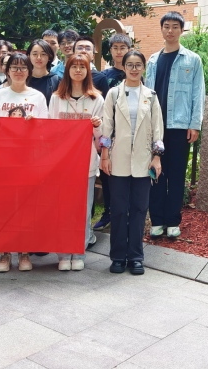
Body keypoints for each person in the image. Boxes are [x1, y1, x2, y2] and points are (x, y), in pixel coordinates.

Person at [100, 50, 163, 275]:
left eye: (138, 65)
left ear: (143, 68)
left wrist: (157, 157)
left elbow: (158, 129)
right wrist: (104, 155)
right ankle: (117, 256)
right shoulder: (114, 94)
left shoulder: (151, 96)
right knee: (118, 209)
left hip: (143, 161)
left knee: (139, 209)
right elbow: (106, 126)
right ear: (124, 67)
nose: (134, 69)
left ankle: (136, 256)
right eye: (130, 65)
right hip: (118, 158)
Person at [0, 52, 48, 273]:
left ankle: (24, 251)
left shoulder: (37, 97)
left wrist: (35, 124)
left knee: (26, 206)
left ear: (29, 71)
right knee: (3, 206)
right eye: (14, 67)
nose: (19, 71)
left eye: (23, 68)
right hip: (3, 160)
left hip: (28, 160)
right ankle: (4, 252)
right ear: (7, 71)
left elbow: (46, 130)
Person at [145, 11, 205, 240]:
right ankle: (157, 220)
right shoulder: (153, 60)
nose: (170, 31)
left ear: (181, 30)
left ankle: (173, 221)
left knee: (177, 174)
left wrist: (194, 124)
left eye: (175, 27)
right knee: (155, 173)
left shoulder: (192, 59)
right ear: (162, 29)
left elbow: (198, 93)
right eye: (166, 26)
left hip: (180, 126)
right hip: (155, 126)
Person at [48, 54, 104, 272]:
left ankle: (79, 252)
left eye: (82, 66)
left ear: (88, 71)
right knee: (62, 210)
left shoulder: (96, 100)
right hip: (61, 164)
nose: (78, 70)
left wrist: (97, 126)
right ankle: (63, 254)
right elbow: (50, 132)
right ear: (67, 70)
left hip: (86, 164)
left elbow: (102, 138)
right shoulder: (56, 98)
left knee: (83, 210)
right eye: (74, 66)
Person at [94, 33, 133, 230]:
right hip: (108, 131)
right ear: (110, 51)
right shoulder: (104, 76)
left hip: (130, 132)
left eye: (123, 47)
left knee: (128, 174)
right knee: (107, 174)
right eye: (115, 48)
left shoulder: (135, 74)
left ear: (129, 50)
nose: (119, 51)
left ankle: (127, 213)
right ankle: (108, 213)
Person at [26, 39, 61, 104]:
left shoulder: (56, 81)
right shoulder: (23, 79)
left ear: (49, 57)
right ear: (28, 56)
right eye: (35, 54)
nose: (39, 57)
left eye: (43, 54)